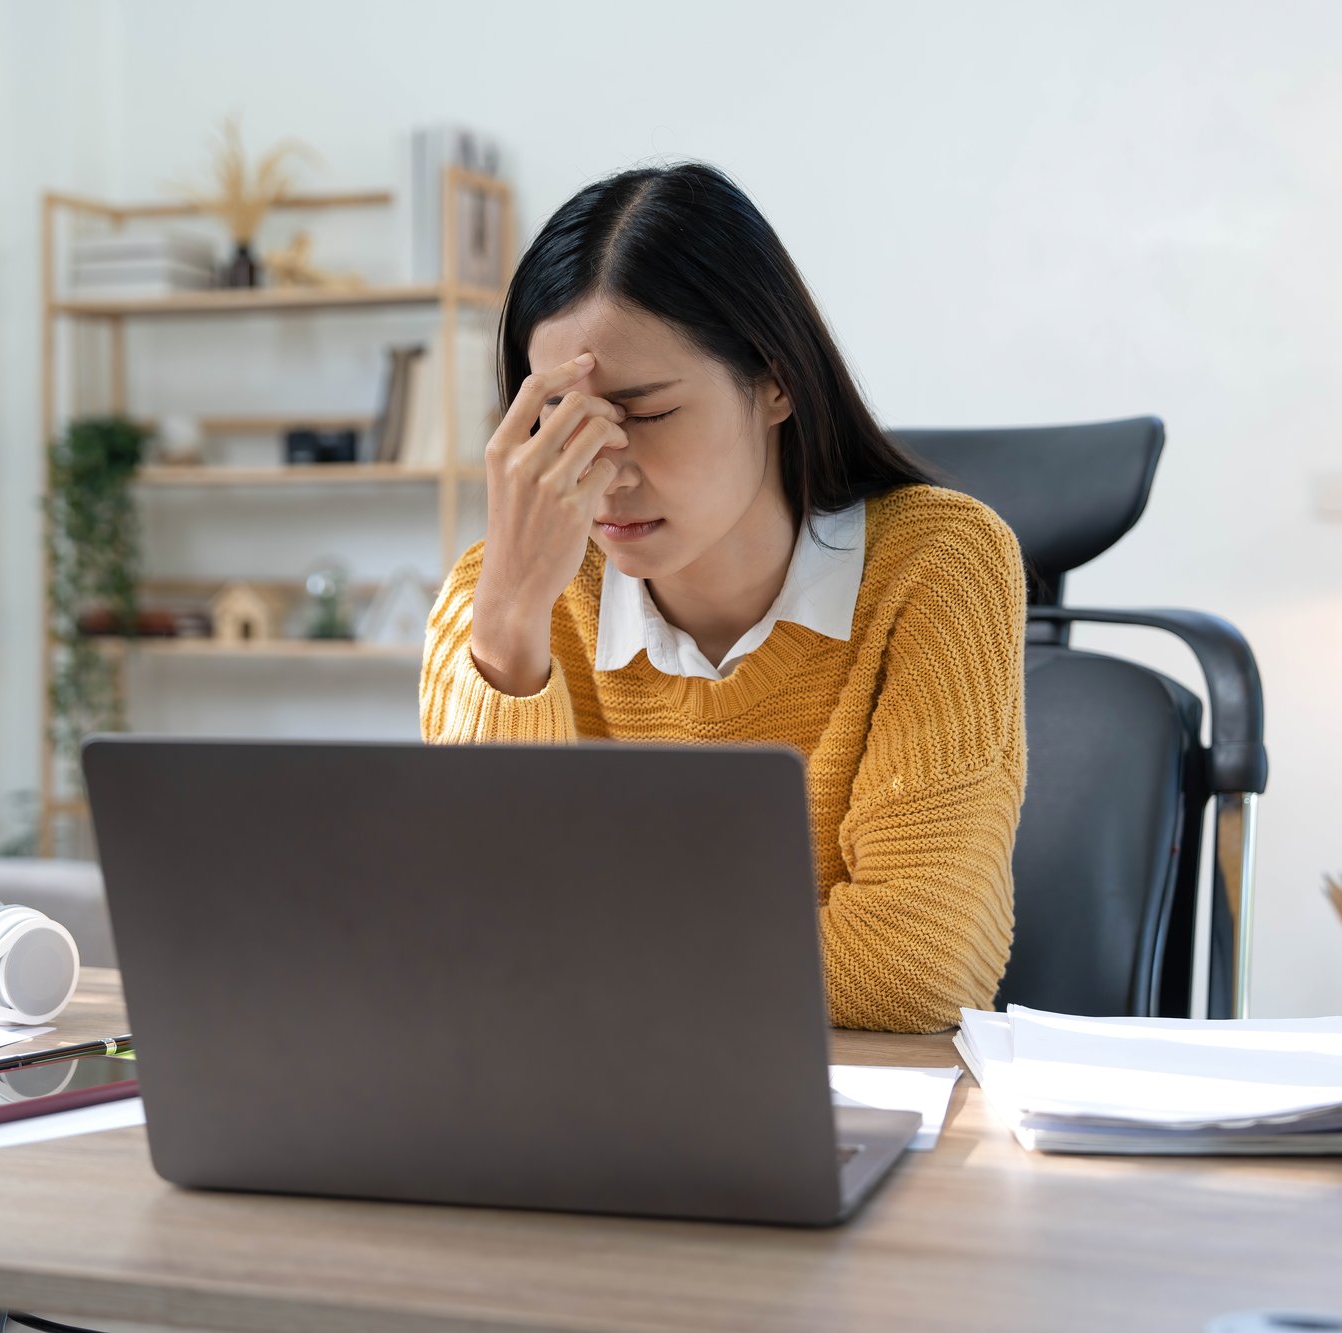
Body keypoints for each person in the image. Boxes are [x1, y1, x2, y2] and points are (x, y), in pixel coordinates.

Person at [418, 162, 1028, 1034]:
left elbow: (912, 967)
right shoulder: (496, 596)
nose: (602, 471)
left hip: (849, 1106)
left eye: (645, 411)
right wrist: (511, 626)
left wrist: (578, 953)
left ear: (775, 380)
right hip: (579, 1106)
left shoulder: (940, 565)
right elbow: (467, 938)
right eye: (561, 421)